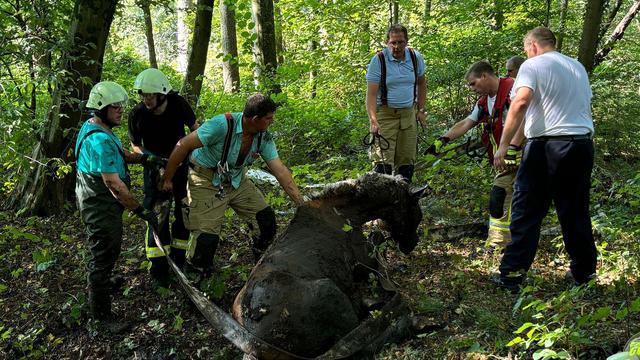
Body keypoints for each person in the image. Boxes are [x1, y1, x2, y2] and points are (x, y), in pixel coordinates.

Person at [493, 27, 596, 293]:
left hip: (547, 147)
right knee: (575, 211)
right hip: (581, 145)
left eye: (526, 48)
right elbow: (546, 110)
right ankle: (584, 274)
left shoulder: (533, 65)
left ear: (533, 46)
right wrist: (517, 143)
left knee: (527, 209)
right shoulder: (577, 67)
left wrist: (503, 145)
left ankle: (511, 276)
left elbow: (521, 103)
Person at [160, 93, 303, 277]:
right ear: (254, 119)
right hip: (205, 181)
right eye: (268, 118)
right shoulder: (221, 125)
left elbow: (280, 171)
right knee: (206, 240)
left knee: (265, 220)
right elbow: (183, 145)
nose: (272, 122)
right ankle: (197, 279)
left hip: (236, 180)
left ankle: (260, 269)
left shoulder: (263, 136)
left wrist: (301, 203)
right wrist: (167, 178)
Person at [76, 81, 161, 332]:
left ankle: (103, 282)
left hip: (93, 196)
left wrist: (145, 158)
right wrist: (140, 210)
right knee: (103, 252)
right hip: (100, 203)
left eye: (121, 105)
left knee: (105, 248)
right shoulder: (99, 140)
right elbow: (114, 185)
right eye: (115, 107)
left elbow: (120, 153)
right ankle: (101, 316)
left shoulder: (96, 127)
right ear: (101, 108)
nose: (121, 110)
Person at [426, 61, 524, 249]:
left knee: (500, 194)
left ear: (485, 76)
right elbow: (467, 122)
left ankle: (498, 244)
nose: (472, 89)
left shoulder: (513, 89)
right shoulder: (484, 101)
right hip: (505, 156)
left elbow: (525, 118)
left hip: (520, 153)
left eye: (473, 83)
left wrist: (512, 147)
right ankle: (516, 240)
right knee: (518, 197)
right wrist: (443, 139)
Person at [128, 68, 199, 288]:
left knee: (183, 212)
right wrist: (149, 161)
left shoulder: (179, 105)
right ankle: (159, 269)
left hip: (181, 167)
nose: (146, 99)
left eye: (150, 95)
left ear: (162, 94)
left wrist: (196, 157)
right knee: (157, 217)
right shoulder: (137, 114)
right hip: (153, 170)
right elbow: (135, 145)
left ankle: (179, 259)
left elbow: (195, 129)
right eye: (143, 95)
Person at [366, 24, 427, 183]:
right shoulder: (378, 61)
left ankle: (404, 200)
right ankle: (382, 203)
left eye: (400, 42)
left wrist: (421, 110)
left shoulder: (415, 57)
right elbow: (371, 94)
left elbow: (421, 84)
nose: (397, 46)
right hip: (385, 116)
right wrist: (373, 120)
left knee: (406, 160)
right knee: (382, 163)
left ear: (406, 42)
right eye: (393, 42)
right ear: (387, 42)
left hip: (408, 115)